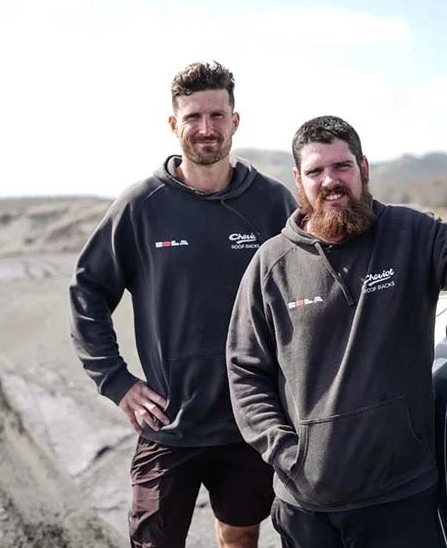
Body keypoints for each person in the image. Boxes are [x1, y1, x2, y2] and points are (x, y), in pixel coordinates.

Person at [226, 115, 447, 548]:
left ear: (363, 168)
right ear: (298, 179)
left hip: (400, 496)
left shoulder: (410, 233)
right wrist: (290, 455)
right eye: (315, 171)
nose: (330, 181)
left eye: (341, 167)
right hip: (306, 505)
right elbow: (244, 371)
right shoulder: (271, 263)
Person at [69, 61, 296, 548]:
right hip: (169, 421)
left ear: (235, 121)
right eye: (193, 117)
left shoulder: (273, 204)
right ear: (174, 125)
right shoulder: (141, 206)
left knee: (240, 533)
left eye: (217, 115)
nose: (206, 129)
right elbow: (88, 290)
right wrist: (116, 381)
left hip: (249, 418)